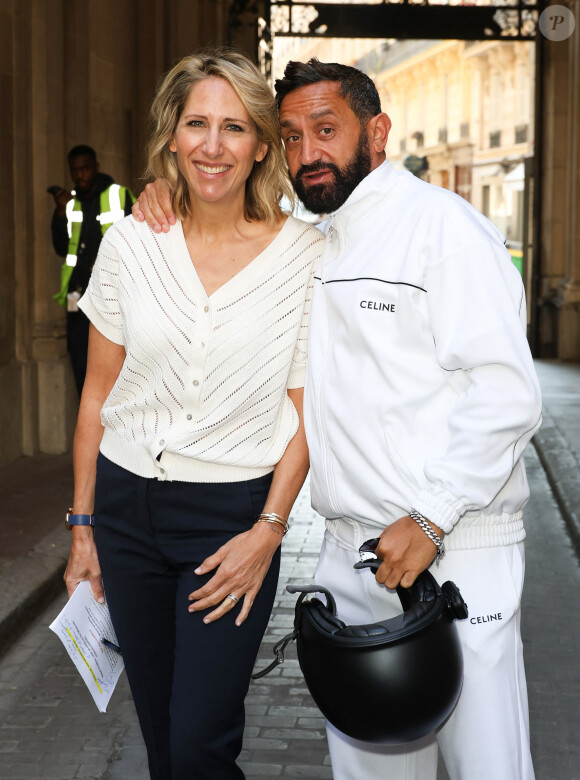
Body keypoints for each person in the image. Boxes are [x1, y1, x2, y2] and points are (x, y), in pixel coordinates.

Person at [132, 58, 541, 780]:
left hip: (454, 553)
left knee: (488, 767)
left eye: (326, 130)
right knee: (367, 769)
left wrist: (433, 517)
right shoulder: (309, 238)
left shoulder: (441, 229)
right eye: (288, 137)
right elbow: (226, 223)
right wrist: (168, 193)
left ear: (376, 132)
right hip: (353, 555)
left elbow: (507, 392)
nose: (306, 154)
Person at [64, 50, 323, 780]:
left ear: (261, 144)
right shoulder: (129, 245)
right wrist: (82, 527)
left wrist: (268, 532)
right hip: (123, 512)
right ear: (171, 136)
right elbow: (96, 398)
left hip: (230, 519)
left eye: (234, 127)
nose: (213, 146)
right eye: (197, 124)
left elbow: (310, 417)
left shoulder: (305, 257)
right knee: (161, 739)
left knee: (199, 744)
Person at [50, 145, 134, 395]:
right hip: (77, 300)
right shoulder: (70, 203)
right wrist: (60, 213)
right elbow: (61, 247)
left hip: (113, 297)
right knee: (81, 367)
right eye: (75, 171)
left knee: (116, 370)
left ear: (96, 167)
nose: (80, 176)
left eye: (85, 169)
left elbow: (137, 240)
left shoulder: (119, 195)